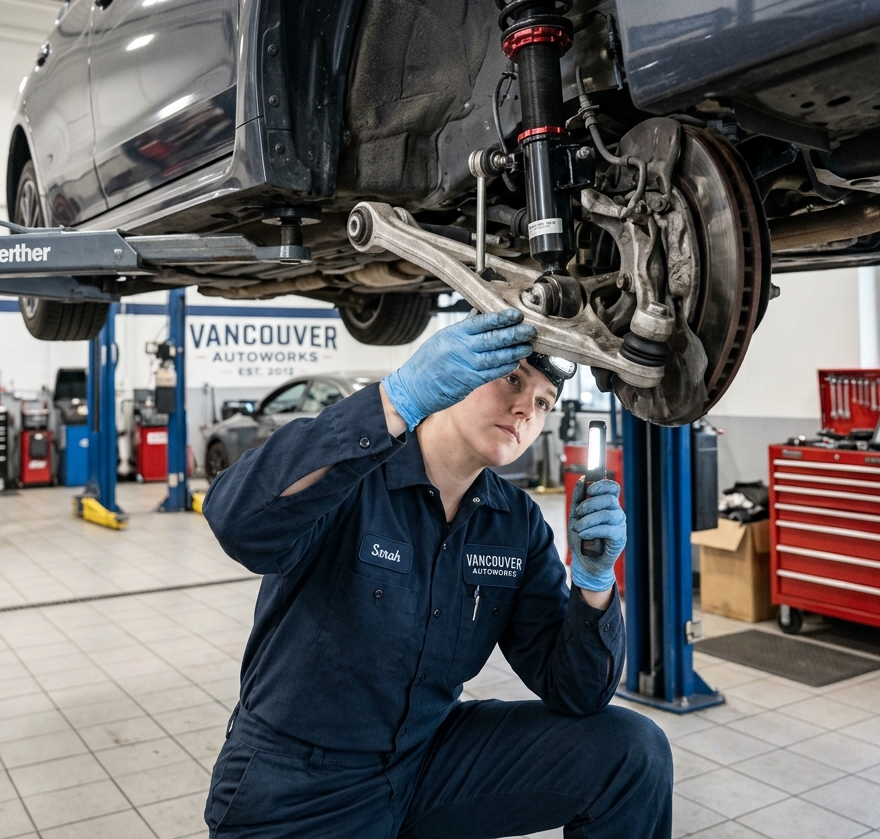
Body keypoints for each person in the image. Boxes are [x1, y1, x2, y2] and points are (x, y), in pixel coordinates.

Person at [202, 308, 673, 838]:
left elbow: (578, 694)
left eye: (544, 402)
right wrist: (395, 398)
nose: (525, 408)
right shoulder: (354, 478)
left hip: (426, 760)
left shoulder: (515, 524)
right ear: (458, 370)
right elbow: (238, 523)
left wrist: (595, 586)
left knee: (631, 750)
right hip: (297, 784)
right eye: (512, 379)